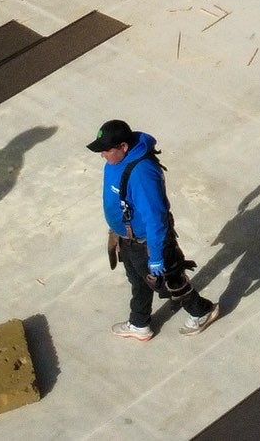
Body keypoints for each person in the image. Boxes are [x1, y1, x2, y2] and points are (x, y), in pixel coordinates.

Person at [90, 119, 218, 340]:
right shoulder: (114, 162)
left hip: (147, 242)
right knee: (138, 281)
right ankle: (140, 324)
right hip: (127, 239)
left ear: (123, 147)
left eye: (107, 150)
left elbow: (155, 217)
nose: (103, 155)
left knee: (169, 283)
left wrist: (157, 256)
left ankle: (202, 310)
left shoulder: (142, 172)